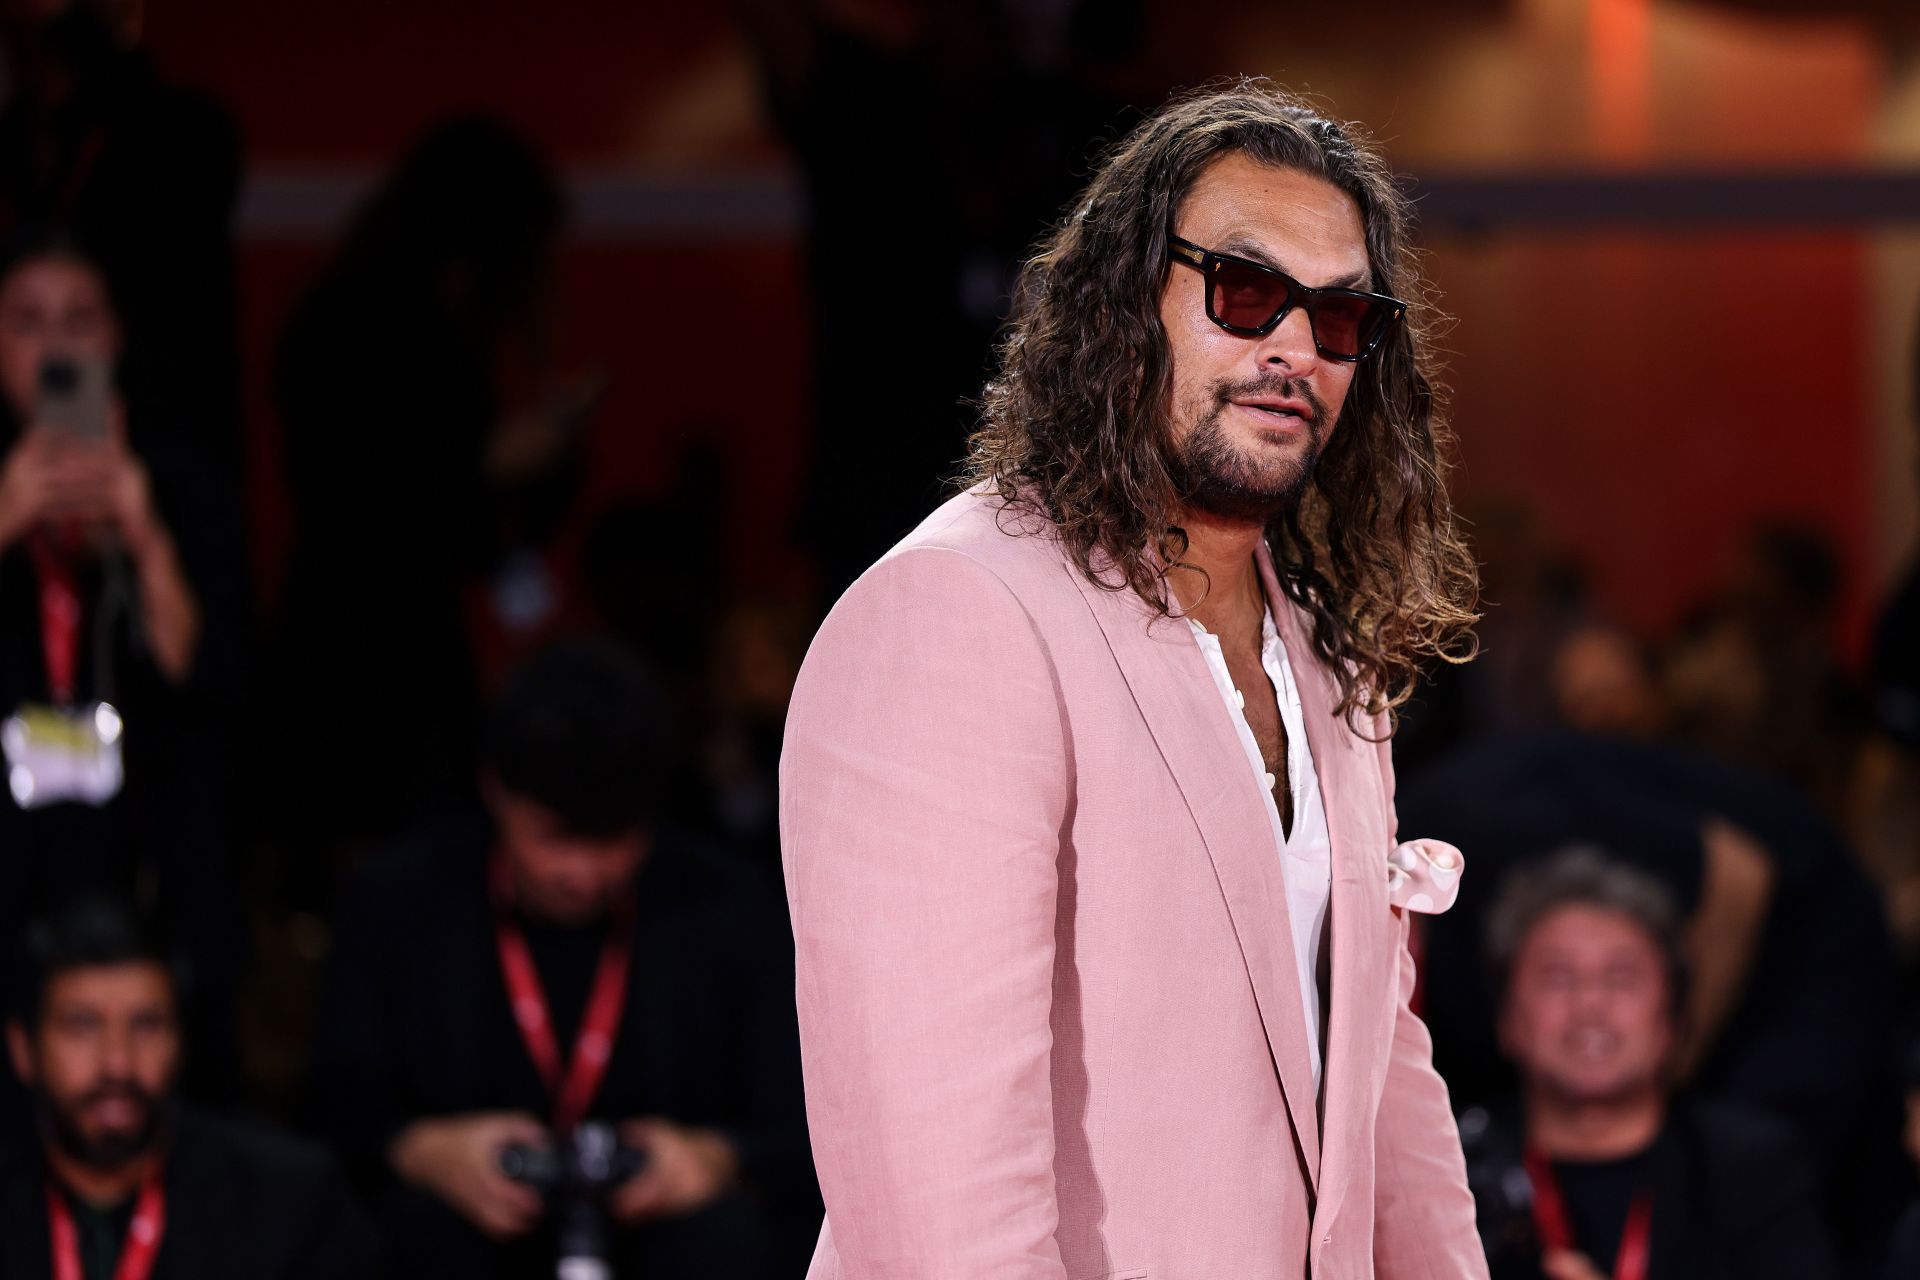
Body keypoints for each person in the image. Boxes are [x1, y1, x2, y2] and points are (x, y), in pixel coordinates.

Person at [780, 81, 1486, 1278]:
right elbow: (937, 1199)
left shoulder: (1323, 644)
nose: (1292, 348)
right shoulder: (959, 613)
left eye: (1340, 316)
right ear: (1124, 302)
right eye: (1246, 289)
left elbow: (1382, 1083)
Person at [312, 639, 817, 1279]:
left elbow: (804, 1122)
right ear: (496, 790)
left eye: (612, 842)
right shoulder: (399, 900)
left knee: (729, 1237)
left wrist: (717, 1157)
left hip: (666, 1237)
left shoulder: (729, 906)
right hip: (466, 1233)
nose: (582, 873)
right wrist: (424, 1150)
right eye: (555, 839)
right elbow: (332, 1104)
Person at [0, 239, 241, 1108]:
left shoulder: (179, 477)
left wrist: (141, 534)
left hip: (148, 849)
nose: (57, 346)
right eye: (27, 322)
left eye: (80, 320)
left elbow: (203, 671)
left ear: (117, 337)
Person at [1460, 849, 1838, 1280]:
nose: (1590, 1004)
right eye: (1558, 976)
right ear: (1507, 1018)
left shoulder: (1753, 1172)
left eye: (1621, 977)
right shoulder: (1449, 1165)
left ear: (1674, 1022)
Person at [0, 896, 377, 1277]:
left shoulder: (291, 1204)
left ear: (181, 1042)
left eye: (147, 1024)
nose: (118, 1063)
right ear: (22, 1049)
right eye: (82, 1025)